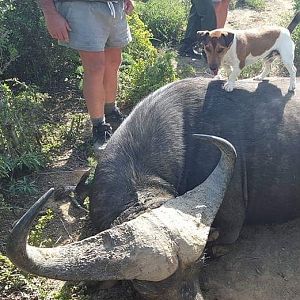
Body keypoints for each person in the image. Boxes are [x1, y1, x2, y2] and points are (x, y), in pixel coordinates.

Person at [39, 0, 134, 152]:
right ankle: (99, 126)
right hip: (82, 7)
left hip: (115, 7)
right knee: (95, 67)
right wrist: (50, 13)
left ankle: (111, 113)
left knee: (113, 62)